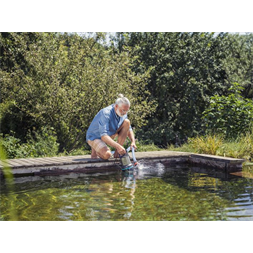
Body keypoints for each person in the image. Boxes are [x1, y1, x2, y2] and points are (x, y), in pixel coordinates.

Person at [86, 94, 137, 160]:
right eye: (123, 110)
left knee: (127, 122)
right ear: (116, 106)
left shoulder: (123, 112)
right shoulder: (106, 113)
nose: (125, 113)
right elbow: (103, 136)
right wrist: (118, 146)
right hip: (94, 137)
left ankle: (117, 154)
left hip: (109, 134)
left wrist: (133, 142)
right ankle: (96, 150)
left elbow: (129, 128)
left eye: (127, 111)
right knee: (107, 155)